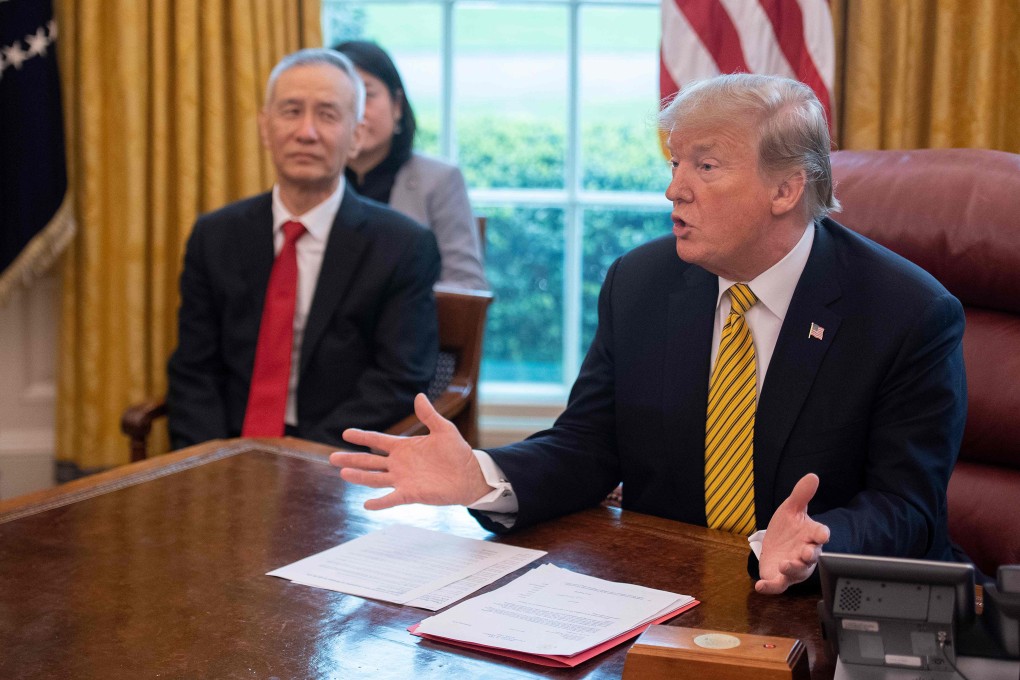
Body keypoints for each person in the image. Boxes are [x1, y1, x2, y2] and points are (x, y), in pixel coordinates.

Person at [330, 74, 967, 595]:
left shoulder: (906, 313)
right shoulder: (641, 282)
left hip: (835, 603)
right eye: (674, 162)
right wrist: (486, 475)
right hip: (665, 588)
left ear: (786, 187)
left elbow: (906, 506)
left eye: (706, 166)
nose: (673, 189)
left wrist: (819, 542)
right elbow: (588, 445)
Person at [167, 48, 440, 450]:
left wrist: (301, 460)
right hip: (225, 454)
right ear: (265, 127)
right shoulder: (215, 236)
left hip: (332, 459)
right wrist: (211, 460)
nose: (306, 132)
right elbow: (194, 371)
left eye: (327, 115)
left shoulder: (403, 246)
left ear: (356, 136)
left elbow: (397, 380)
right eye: (291, 111)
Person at [333, 40, 488, 291]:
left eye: (367, 95)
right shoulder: (314, 180)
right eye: (343, 99)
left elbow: (466, 285)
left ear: (397, 105)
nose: (357, 113)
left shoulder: (439, 180)